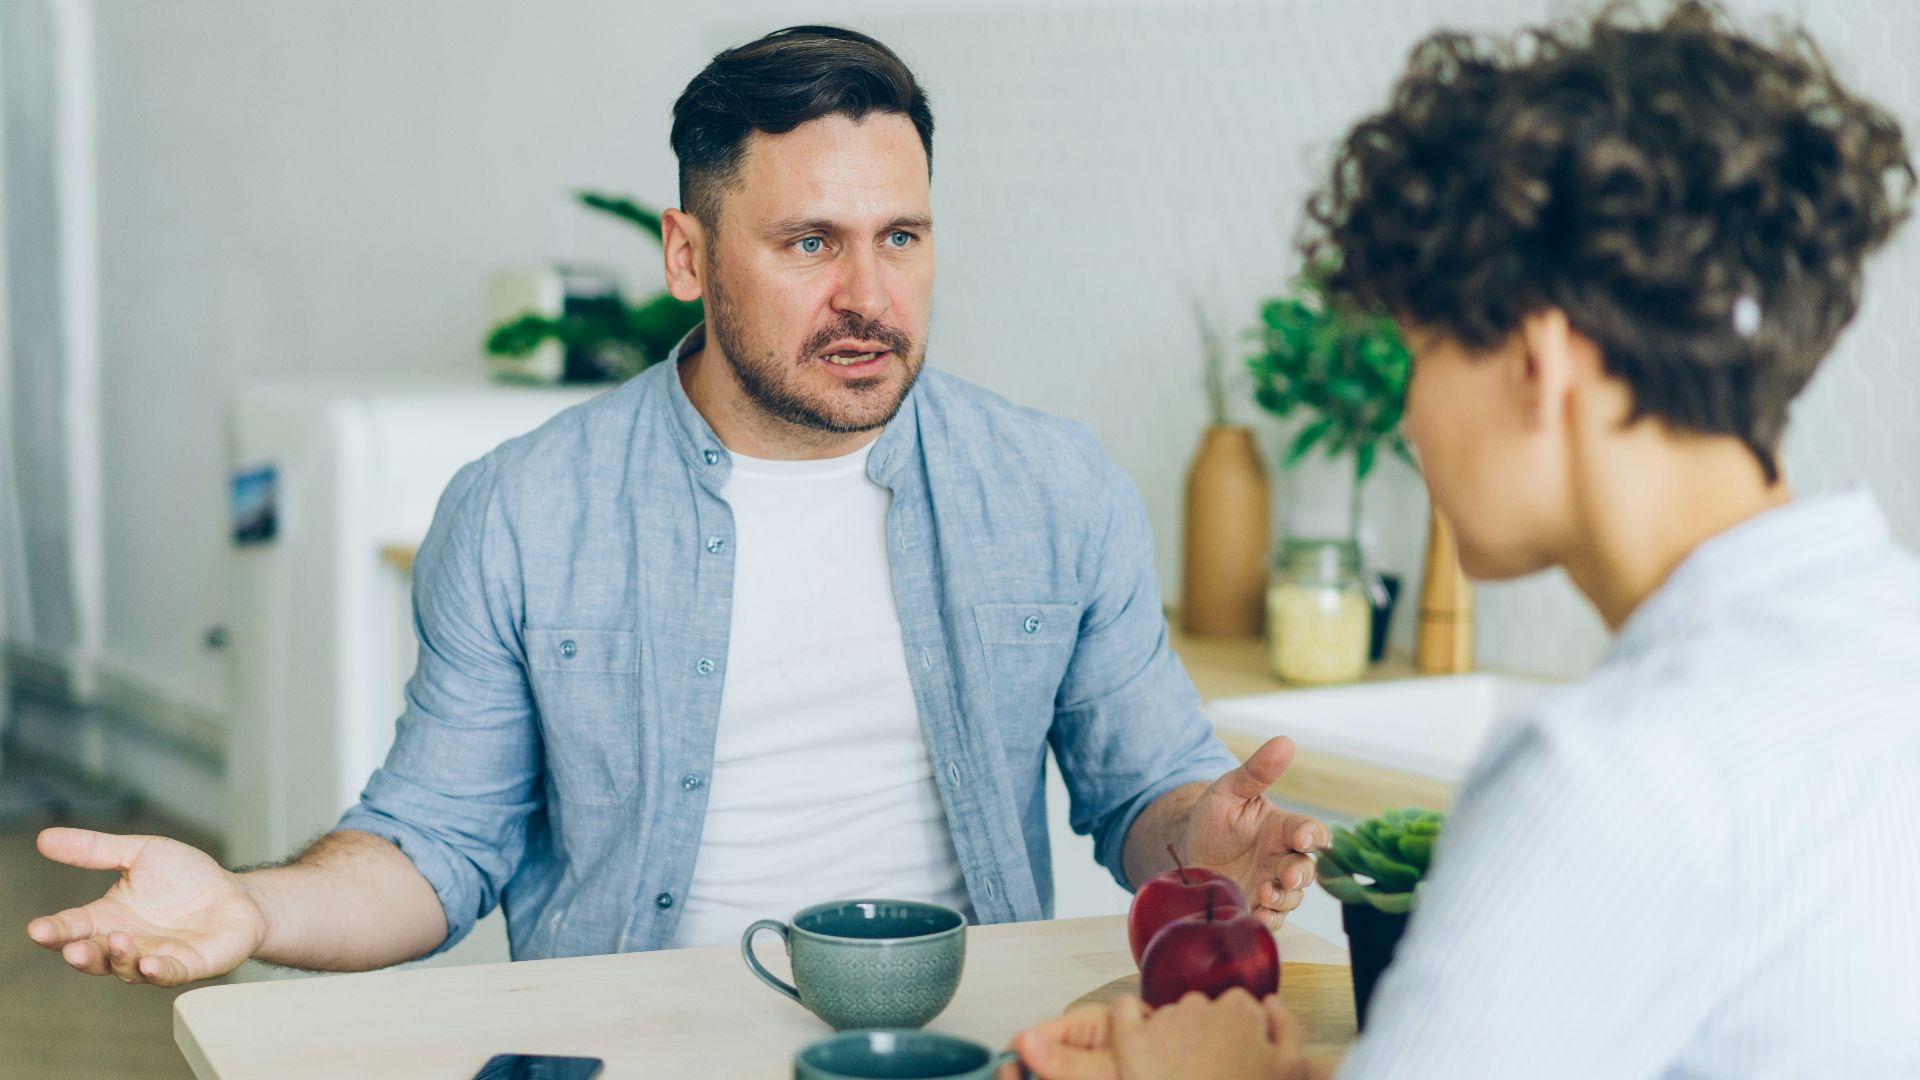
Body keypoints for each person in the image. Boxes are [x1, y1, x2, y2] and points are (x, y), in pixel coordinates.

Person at [25, 26, 1326, 987]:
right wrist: (253, 909)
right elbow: (432, 849)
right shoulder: (526, 513)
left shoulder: (1054, 490)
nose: (870, 297)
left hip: (965, 1049)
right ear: (689, 255)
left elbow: (1142, 795)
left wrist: (1201, 832)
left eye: (903, 238)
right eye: (811, 243)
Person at [1010, 2, 1920, 1077]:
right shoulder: (1883, 633)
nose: (1406, 418)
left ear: (1538, 366)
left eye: (1418, 350)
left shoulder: (1608, 774)